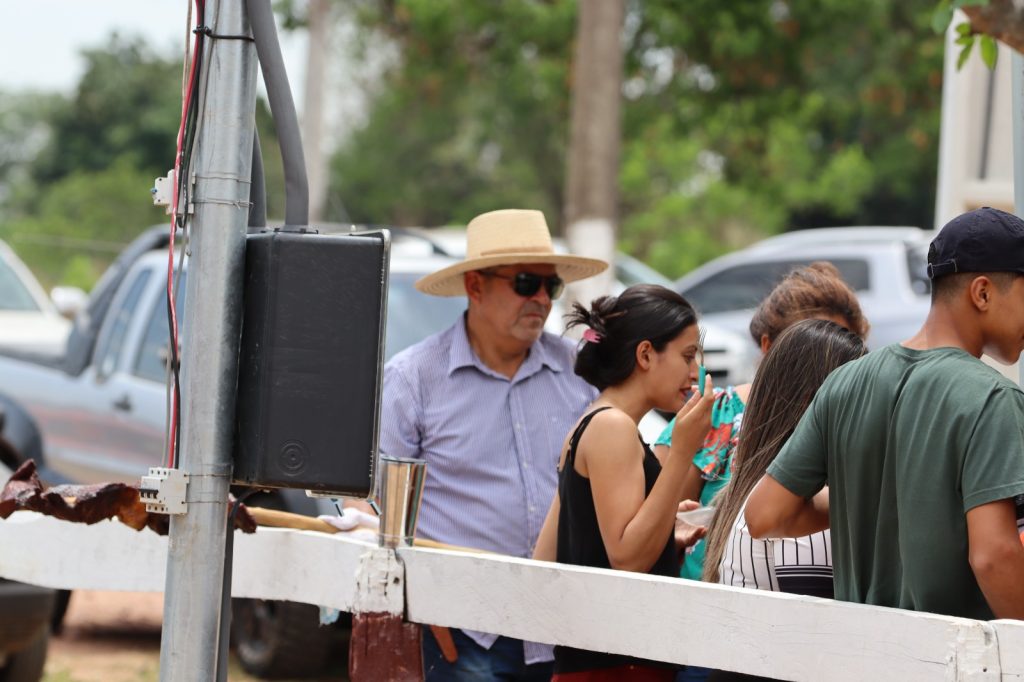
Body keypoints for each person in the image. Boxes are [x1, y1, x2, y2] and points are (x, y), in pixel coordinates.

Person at [745, 206, 1024, 622]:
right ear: (981, 293)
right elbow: (993, 556)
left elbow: (763, 516)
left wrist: (869, 502)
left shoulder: (843, 383)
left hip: (861, 656)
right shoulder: (993, 399)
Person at [380, 208, 607, 681]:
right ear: (476, 287)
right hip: (462, 630)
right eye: (526, 282)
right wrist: (425, 607)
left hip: (564, 622)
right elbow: (381, 506)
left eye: (552, 286)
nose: (542, 299)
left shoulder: (579, 372)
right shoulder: (413, 378)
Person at [531, 284, 716, 681]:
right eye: (687, 356)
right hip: (618, 667)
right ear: (646, 354)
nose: (694, 372)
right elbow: (628, 559)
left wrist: (666, 530)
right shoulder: (613, 427)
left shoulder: (591, 423)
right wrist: (683, 451)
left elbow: (548, 555)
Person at [652, 262, 869, 582]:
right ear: (770, 347)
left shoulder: (849, 426)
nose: (832, 365)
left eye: (842, 344)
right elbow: (656, 527)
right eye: (810, 345)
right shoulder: (713, 416)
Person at [702, 319, 866, 599]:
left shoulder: (763, 487)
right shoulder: (796, 508)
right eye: (860, 394)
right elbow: (820, 624)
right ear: (817, 402)